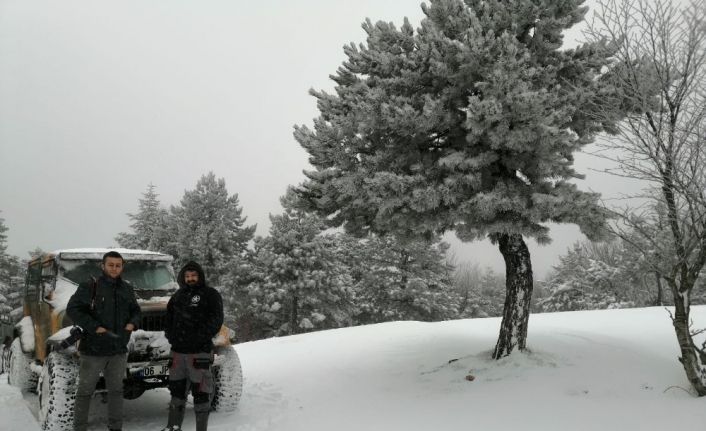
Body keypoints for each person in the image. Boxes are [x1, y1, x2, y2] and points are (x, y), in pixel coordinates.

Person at [66, 250, 142, 431]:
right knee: (85, 393)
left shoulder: (127, 288)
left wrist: (132, 324)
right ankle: (79, 427)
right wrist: (94, 327)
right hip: (93, 351)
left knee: (116, 392)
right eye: (111, 264)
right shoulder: (90, 286)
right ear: (103, 266)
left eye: (118, 265)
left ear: (122, 267)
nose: (114, 268)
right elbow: (73, 309)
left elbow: (136, 311)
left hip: (118, 351)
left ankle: (116, 427)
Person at [161, 261, 224, 431]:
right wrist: (171, 336)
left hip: (200, 353)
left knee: (201, 394)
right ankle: (173, 427)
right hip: (177, 354)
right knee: (177, 392)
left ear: (200, 276)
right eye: (187, 276)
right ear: (183, 278)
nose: (190, 279)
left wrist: (198, 338)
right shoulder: (177, 296)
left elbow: (216, 320)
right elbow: (168, 319)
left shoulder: (210, 294)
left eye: (193, 276)